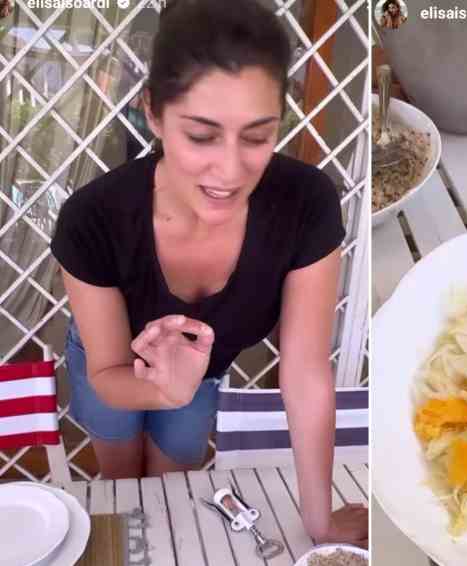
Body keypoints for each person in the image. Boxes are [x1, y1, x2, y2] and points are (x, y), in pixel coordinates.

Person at [50, 0, 367, 547]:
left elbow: (306, 373)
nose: (230, 169)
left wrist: (320, 524)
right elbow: (107, 372)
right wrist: (160, 389)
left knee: (172, 489)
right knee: (128, 496)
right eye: (201, 136)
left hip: (202, 376)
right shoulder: (91, 218)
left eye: (256, 136)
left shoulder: (305, 204)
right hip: (113, 370)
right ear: (153, 112)